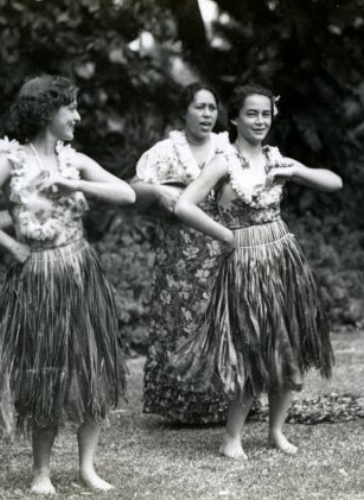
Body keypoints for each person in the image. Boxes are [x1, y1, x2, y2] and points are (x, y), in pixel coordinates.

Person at [0, 75, 135, 494]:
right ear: (46, 111)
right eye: (70, 107)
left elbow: (125, 194)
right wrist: (10, 246)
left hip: (78, 271)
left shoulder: (75, 161)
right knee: (45, 372)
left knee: (89, 367)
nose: (77, 116)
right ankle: (41, 472)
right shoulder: (10, 160)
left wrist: (76, 184)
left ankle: (88, 468)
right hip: (37, 277)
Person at [170, 83, 342, 460]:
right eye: (252, 113)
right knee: (249, 347)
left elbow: (334, 182)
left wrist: (298, 172)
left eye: (266, 113)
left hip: (283, 258)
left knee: (287, 342)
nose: (260, 120)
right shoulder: (222, 161)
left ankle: (276, 431)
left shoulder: (277, 160)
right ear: (234, 117)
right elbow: (184, 205)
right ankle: (232, 437)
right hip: (245, 263)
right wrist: (225, 236)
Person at [131, 82, 232, 424]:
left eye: (211, 108)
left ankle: (227, 402)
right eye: (199, 107)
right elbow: (132, 190)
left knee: (224, 319)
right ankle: (182, 406)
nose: (206, 114)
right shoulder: (165, 151)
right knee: (181, 323)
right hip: (180, 251)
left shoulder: (227, 148)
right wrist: (158, 190)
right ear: (183, 111)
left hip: (222, 245)